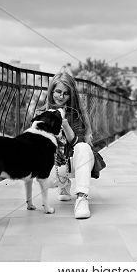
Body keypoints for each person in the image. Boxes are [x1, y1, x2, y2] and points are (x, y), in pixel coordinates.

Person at [38, 70, 94, 219]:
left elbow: (79, 143)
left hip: (78, 161)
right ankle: (63, 184)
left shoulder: (77, 114)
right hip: (56, 165)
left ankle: (82, 198)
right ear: (51, 91)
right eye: (58, 92)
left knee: (83, 147)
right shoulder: (41, 114)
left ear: (71, 95)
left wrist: (64, 124)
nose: (61, 97)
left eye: (66, 93)